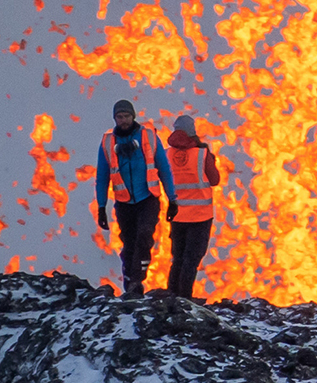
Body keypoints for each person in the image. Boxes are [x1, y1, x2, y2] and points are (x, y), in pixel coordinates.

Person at [93, 98, 174, 297]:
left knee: (144, 236)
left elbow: (164, 168)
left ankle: (138, 279)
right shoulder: (107, 142)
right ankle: (130, 282)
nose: (123, 120)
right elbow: (102, 177)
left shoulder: (149, 136)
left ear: (133, 115)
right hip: (124, 202)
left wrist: (173, 199)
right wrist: (101, 207)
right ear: (114, 119)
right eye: (119, 117)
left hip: (148, 198)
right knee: (128, 243)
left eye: (126, 116)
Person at [164, 113, 229, 300]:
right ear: (193, 131)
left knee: (177, 258)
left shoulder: (167, 154)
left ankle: (172, 296)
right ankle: (185, 298)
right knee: (191, 260)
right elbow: (215, 180)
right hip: (200, 216)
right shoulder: (202, 154)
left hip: (177, 214)